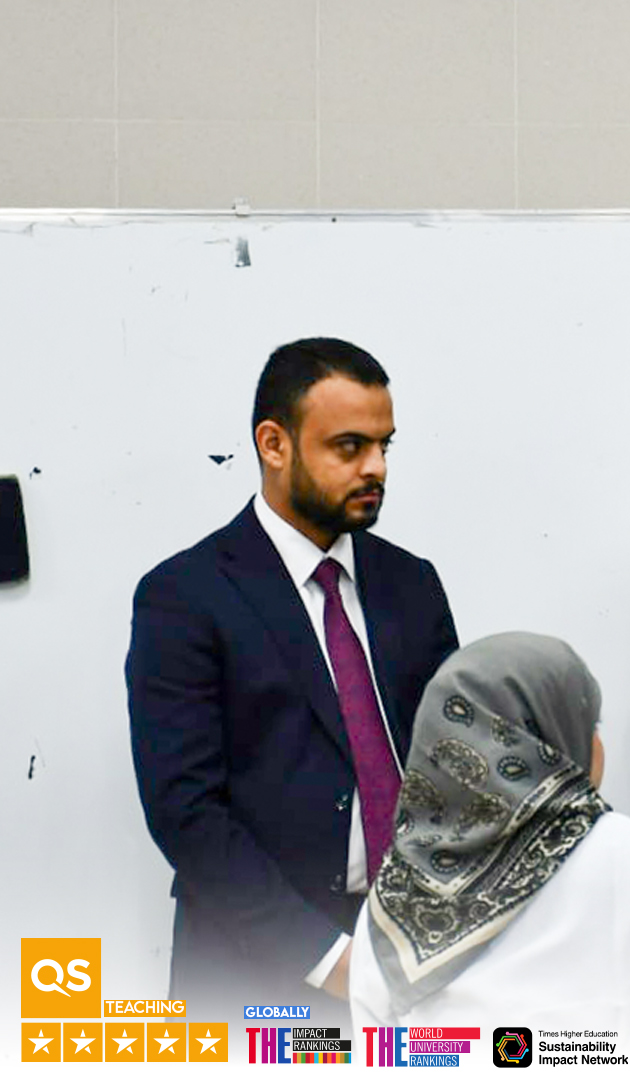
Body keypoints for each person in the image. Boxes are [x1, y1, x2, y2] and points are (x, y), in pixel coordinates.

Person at [127, 338, 459, 1020]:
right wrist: (331, 961)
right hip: (255, 974)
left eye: (384, 445)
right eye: (349, 446)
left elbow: (450, 763)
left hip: (408, 960)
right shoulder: (185, 596)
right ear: (274, 445)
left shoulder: (412, 583)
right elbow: (187, 814)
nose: (376, 467)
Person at [350, 633, 630, 1031]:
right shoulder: (623, 856)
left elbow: (375, 1042)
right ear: (546, 743)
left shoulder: (394, 891)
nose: (598, 744)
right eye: (591, 725)